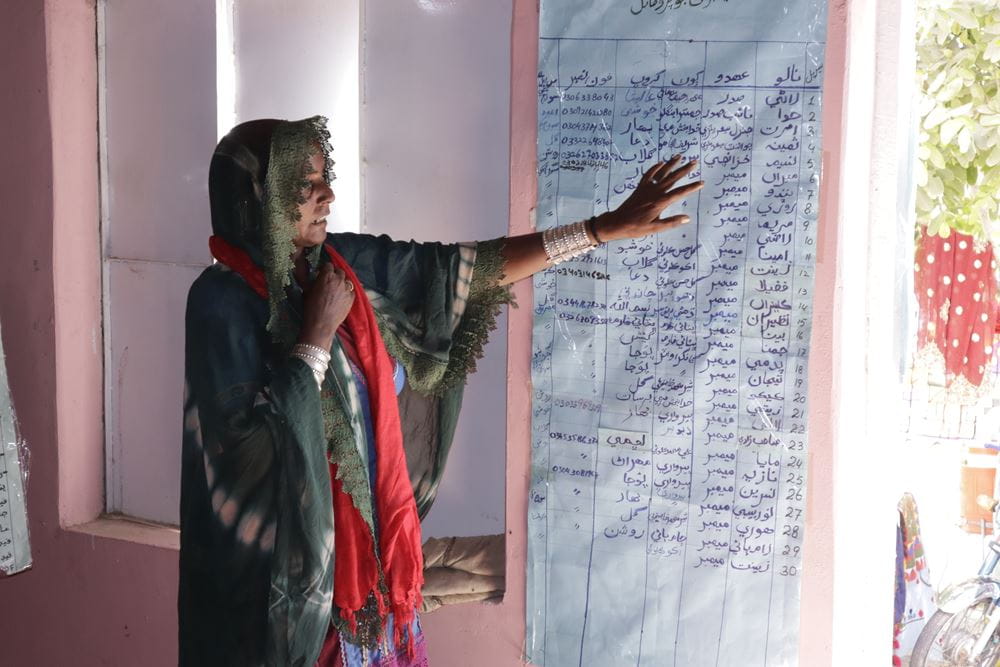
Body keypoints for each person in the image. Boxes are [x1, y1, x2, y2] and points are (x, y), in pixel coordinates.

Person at [178, 116, 701, 666]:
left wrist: (599, 230)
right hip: (281, 598)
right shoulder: (222, 301)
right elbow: (240, 452)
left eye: (324, 177)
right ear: (257, 197)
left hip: (367, 582)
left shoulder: (336, 268)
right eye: (305, 186)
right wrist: (314, 338)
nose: (328, 195)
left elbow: (459, 270)